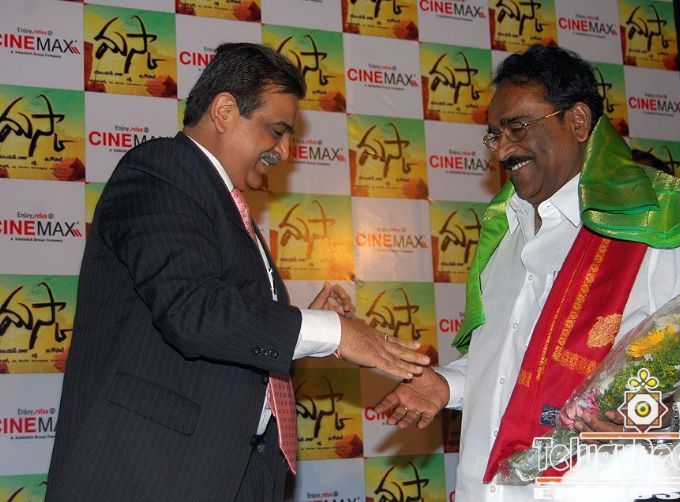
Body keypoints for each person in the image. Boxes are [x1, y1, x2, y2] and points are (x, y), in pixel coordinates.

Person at [46, 43, 430, 502]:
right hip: (147, 473)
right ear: (225, 111)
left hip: (226, 474)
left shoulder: (223, 202)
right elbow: (193, 311)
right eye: (276, 131)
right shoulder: (162, 168)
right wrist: (335, 332)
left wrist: (303, 324)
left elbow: (225, 339)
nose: (284, 151)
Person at [376, 44, 680, 500]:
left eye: (518, 128)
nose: (503, 150)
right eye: (495, 136)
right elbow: (510, 364)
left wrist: (657, 416)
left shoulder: (655, 219)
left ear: (577, 121)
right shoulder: (502, 233)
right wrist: (445, 384)